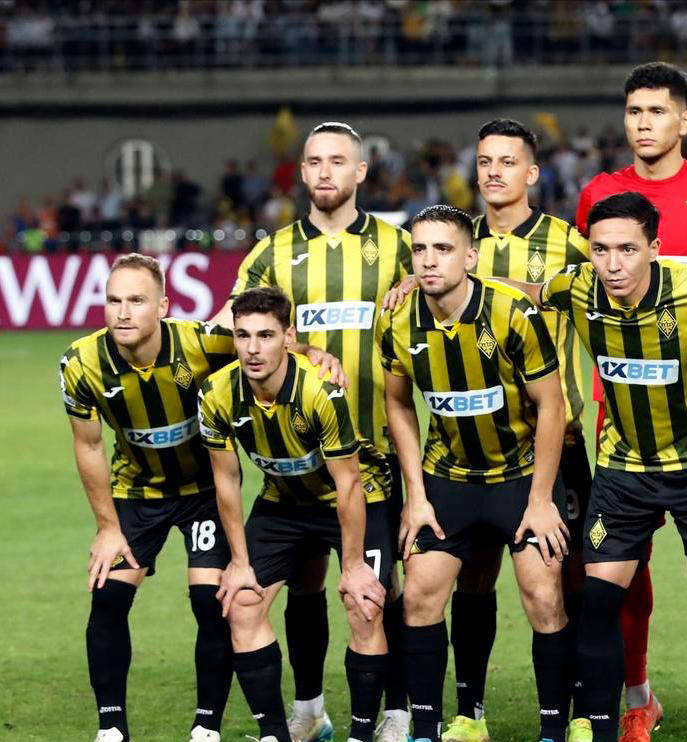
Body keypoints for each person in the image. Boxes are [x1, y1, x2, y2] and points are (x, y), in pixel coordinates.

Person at [506, 192, 687, 742]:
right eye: (601, 250)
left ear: (655, 248)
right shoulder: (578, 287)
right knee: (599, 601)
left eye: (627, 249)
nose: (612, 264)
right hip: (623, 468)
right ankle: (603, 730)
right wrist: (440, 283)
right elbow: (528, 292)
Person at [216, 120, 415, 742]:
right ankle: (308, 710)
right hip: (291, 469)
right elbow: (236, 328)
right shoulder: (271, 253)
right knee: (303, 586)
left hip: (371, 459)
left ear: (361, 171)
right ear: (302, 172)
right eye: (314, 162)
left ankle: (397, 708)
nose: (325, 172)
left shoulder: (399, 245)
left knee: (377, 591)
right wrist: (301, 350)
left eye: (337, 161)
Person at [574, 61, 687, 742]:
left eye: (657, 111)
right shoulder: (599, 192)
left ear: (685, 119)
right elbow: (576, 283)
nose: (643, 124)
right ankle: (637, 697)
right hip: (620, 413)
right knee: (623, 571)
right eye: (634, 112)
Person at [379, 205, 573, 742]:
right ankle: (429, 727)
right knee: (420, 595)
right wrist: (416, 495)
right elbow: (398, 403)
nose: (429, 260)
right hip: (449, 478)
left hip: (520, 476)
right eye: (420, 249)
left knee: (543, 595)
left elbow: (551, 406)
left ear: (470, 256)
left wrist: (541, 501)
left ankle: (553, 729)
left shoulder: (512, 312)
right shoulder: (395, 319)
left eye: (443, 249)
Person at [441, 118, 594, 742]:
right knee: (473, 575)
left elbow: (609, 303)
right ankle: (470, 711)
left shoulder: (568, 243)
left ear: (532, 173)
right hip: (476, 449)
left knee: (568, 575)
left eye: (507, 162)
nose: (494, 172)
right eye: (485, 161)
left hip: (559, 444)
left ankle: (577, 710)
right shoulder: (452, 242)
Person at [200, 287, 394, 742]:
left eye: (265, 335)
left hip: (351, 498)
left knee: (364, 605)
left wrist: (353, 566)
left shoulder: (320, 390)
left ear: (288, 337)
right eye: (243, 335)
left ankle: (360, 734)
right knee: (241, 602)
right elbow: (226, 480)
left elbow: (348, 482)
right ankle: (275, 734)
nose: (252, 348)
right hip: (283, 501)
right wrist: (239, 562)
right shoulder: (215, 393)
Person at [61, 253, 236, 742]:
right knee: (108, 598)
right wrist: (107, 527)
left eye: (136, 301)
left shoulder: (203, 342)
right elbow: (88, 445)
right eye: (113, 300)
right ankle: (111, 727)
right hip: (136, 490)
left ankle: (206, 726)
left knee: (211, 601)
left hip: (204, 491)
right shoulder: (81, 363)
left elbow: (269, 347)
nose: (122, 312)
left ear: (163, 306)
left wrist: (315, 353)